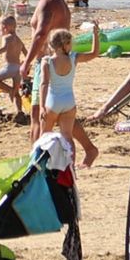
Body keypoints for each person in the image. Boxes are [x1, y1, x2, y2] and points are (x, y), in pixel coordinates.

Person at [36, 26, 97, 167]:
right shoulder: (74, 58)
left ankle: (42, 166)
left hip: (52, 101)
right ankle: (70, 168)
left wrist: (41, 107)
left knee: (44, 136)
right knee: (68, 138)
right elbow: (94, 53)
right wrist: (95, 35)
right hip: (69, 101)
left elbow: (44, 84)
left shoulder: (47, 61)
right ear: (65, 45)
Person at [0, 13, 27, 114]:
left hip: (9, 67)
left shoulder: (7, 38)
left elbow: (3, 49)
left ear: (4, 27)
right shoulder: (19, 40)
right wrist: (25, 64)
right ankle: (19, 111)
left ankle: (9, 90)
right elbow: (27, 53)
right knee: (17, 94)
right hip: (18, 68)